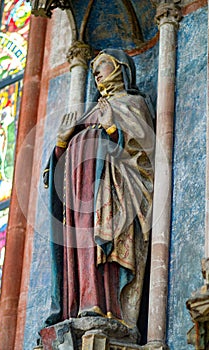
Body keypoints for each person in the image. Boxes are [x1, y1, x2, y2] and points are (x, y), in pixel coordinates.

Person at [43, 49, 155, 331]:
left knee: (101, 242)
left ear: (120, 69)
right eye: (92, 69)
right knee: (79, 244)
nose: (95, 73)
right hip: (78, 195)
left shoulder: (134, 104)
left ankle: (107, 306)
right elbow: (57, 167)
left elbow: (144, 156)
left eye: (101, 66)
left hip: (110, 191)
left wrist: (112, 130)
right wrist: (60, 144)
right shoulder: (90, 112)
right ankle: (79, 303)